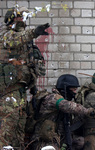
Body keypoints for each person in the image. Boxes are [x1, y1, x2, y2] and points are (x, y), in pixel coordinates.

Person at [0, 6, 50, 149]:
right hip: (7, 92)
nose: (22, 19)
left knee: (19, 129)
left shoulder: (26, 42)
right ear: (11, 19)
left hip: (21, 91)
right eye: (19, 17)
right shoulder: (5, 33)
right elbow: (13, 40)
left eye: (24, 16)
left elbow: (31, 65)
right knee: (7, 129)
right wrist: (34, 32)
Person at [28, 74, 95, 150]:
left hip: (60, 138)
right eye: (73, 89)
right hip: (44, 140)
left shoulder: (64, 101)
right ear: (65, 88)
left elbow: (71, 125)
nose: (75, 92)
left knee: (81, 142)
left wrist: (83, 117)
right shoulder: (53, 98)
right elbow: (68, 106)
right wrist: (87, 111)